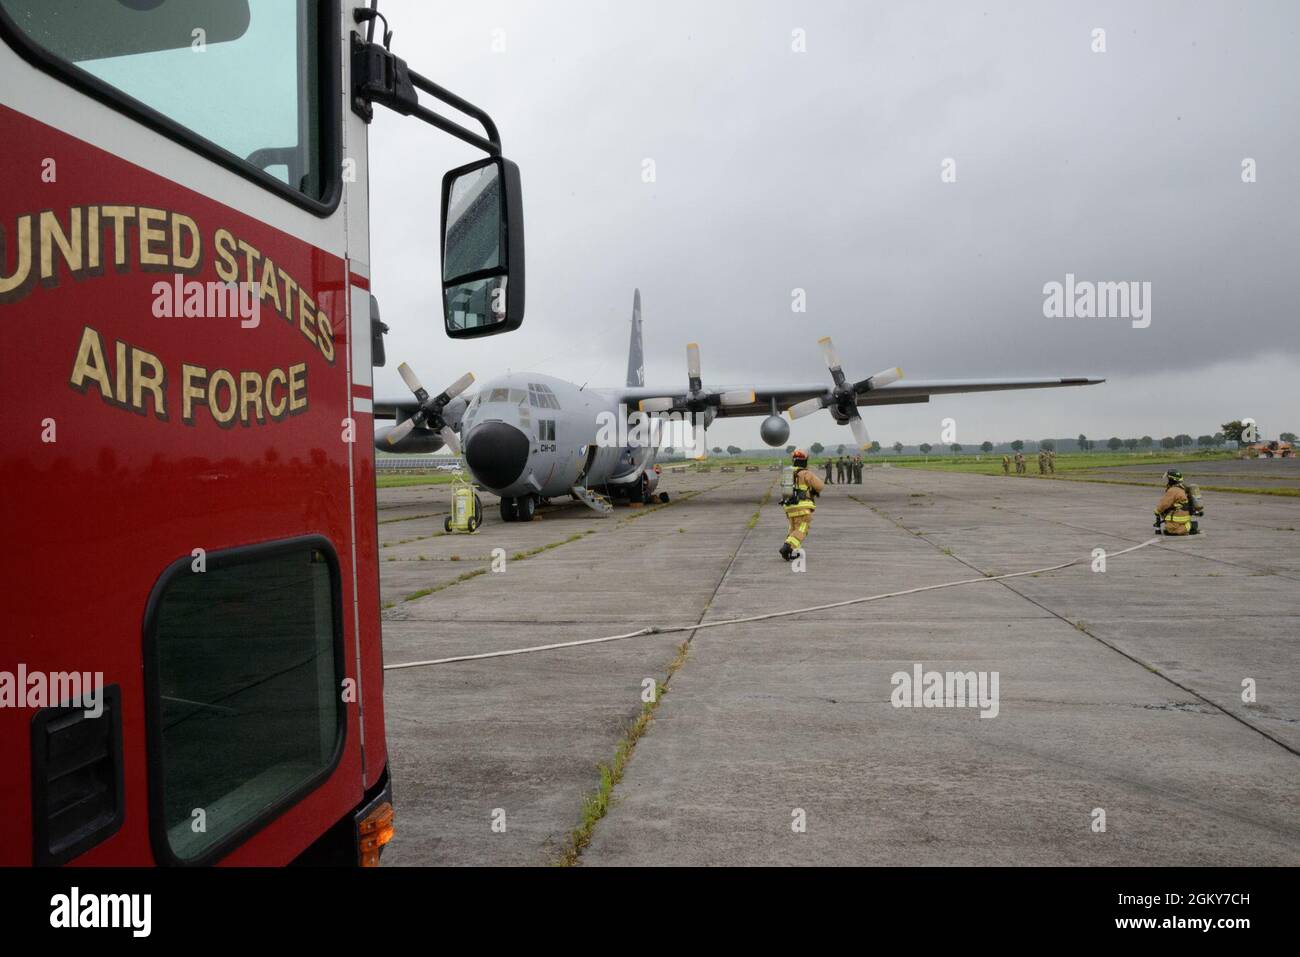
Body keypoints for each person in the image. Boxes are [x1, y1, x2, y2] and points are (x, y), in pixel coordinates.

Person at [780, 448, 824, 560]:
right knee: (802, 529)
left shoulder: (787, 472)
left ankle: (793, 551)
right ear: (805, 460)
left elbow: (784, 489)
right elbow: (819, 486)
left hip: (789, 508)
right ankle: (787, 547)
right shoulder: (806, 473)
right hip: (802, 508)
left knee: (793, 529)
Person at [1153, 469, 1200, 535]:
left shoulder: (1173, 490)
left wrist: (1157, 510)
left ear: (1172, 480)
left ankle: (1190, 526)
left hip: (1179, 516)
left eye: (1168, 479)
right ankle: (1187, 524)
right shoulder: (1182, 488)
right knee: (1168, 529)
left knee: (1171, 530)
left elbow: (1164, 504)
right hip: (1184, 515)